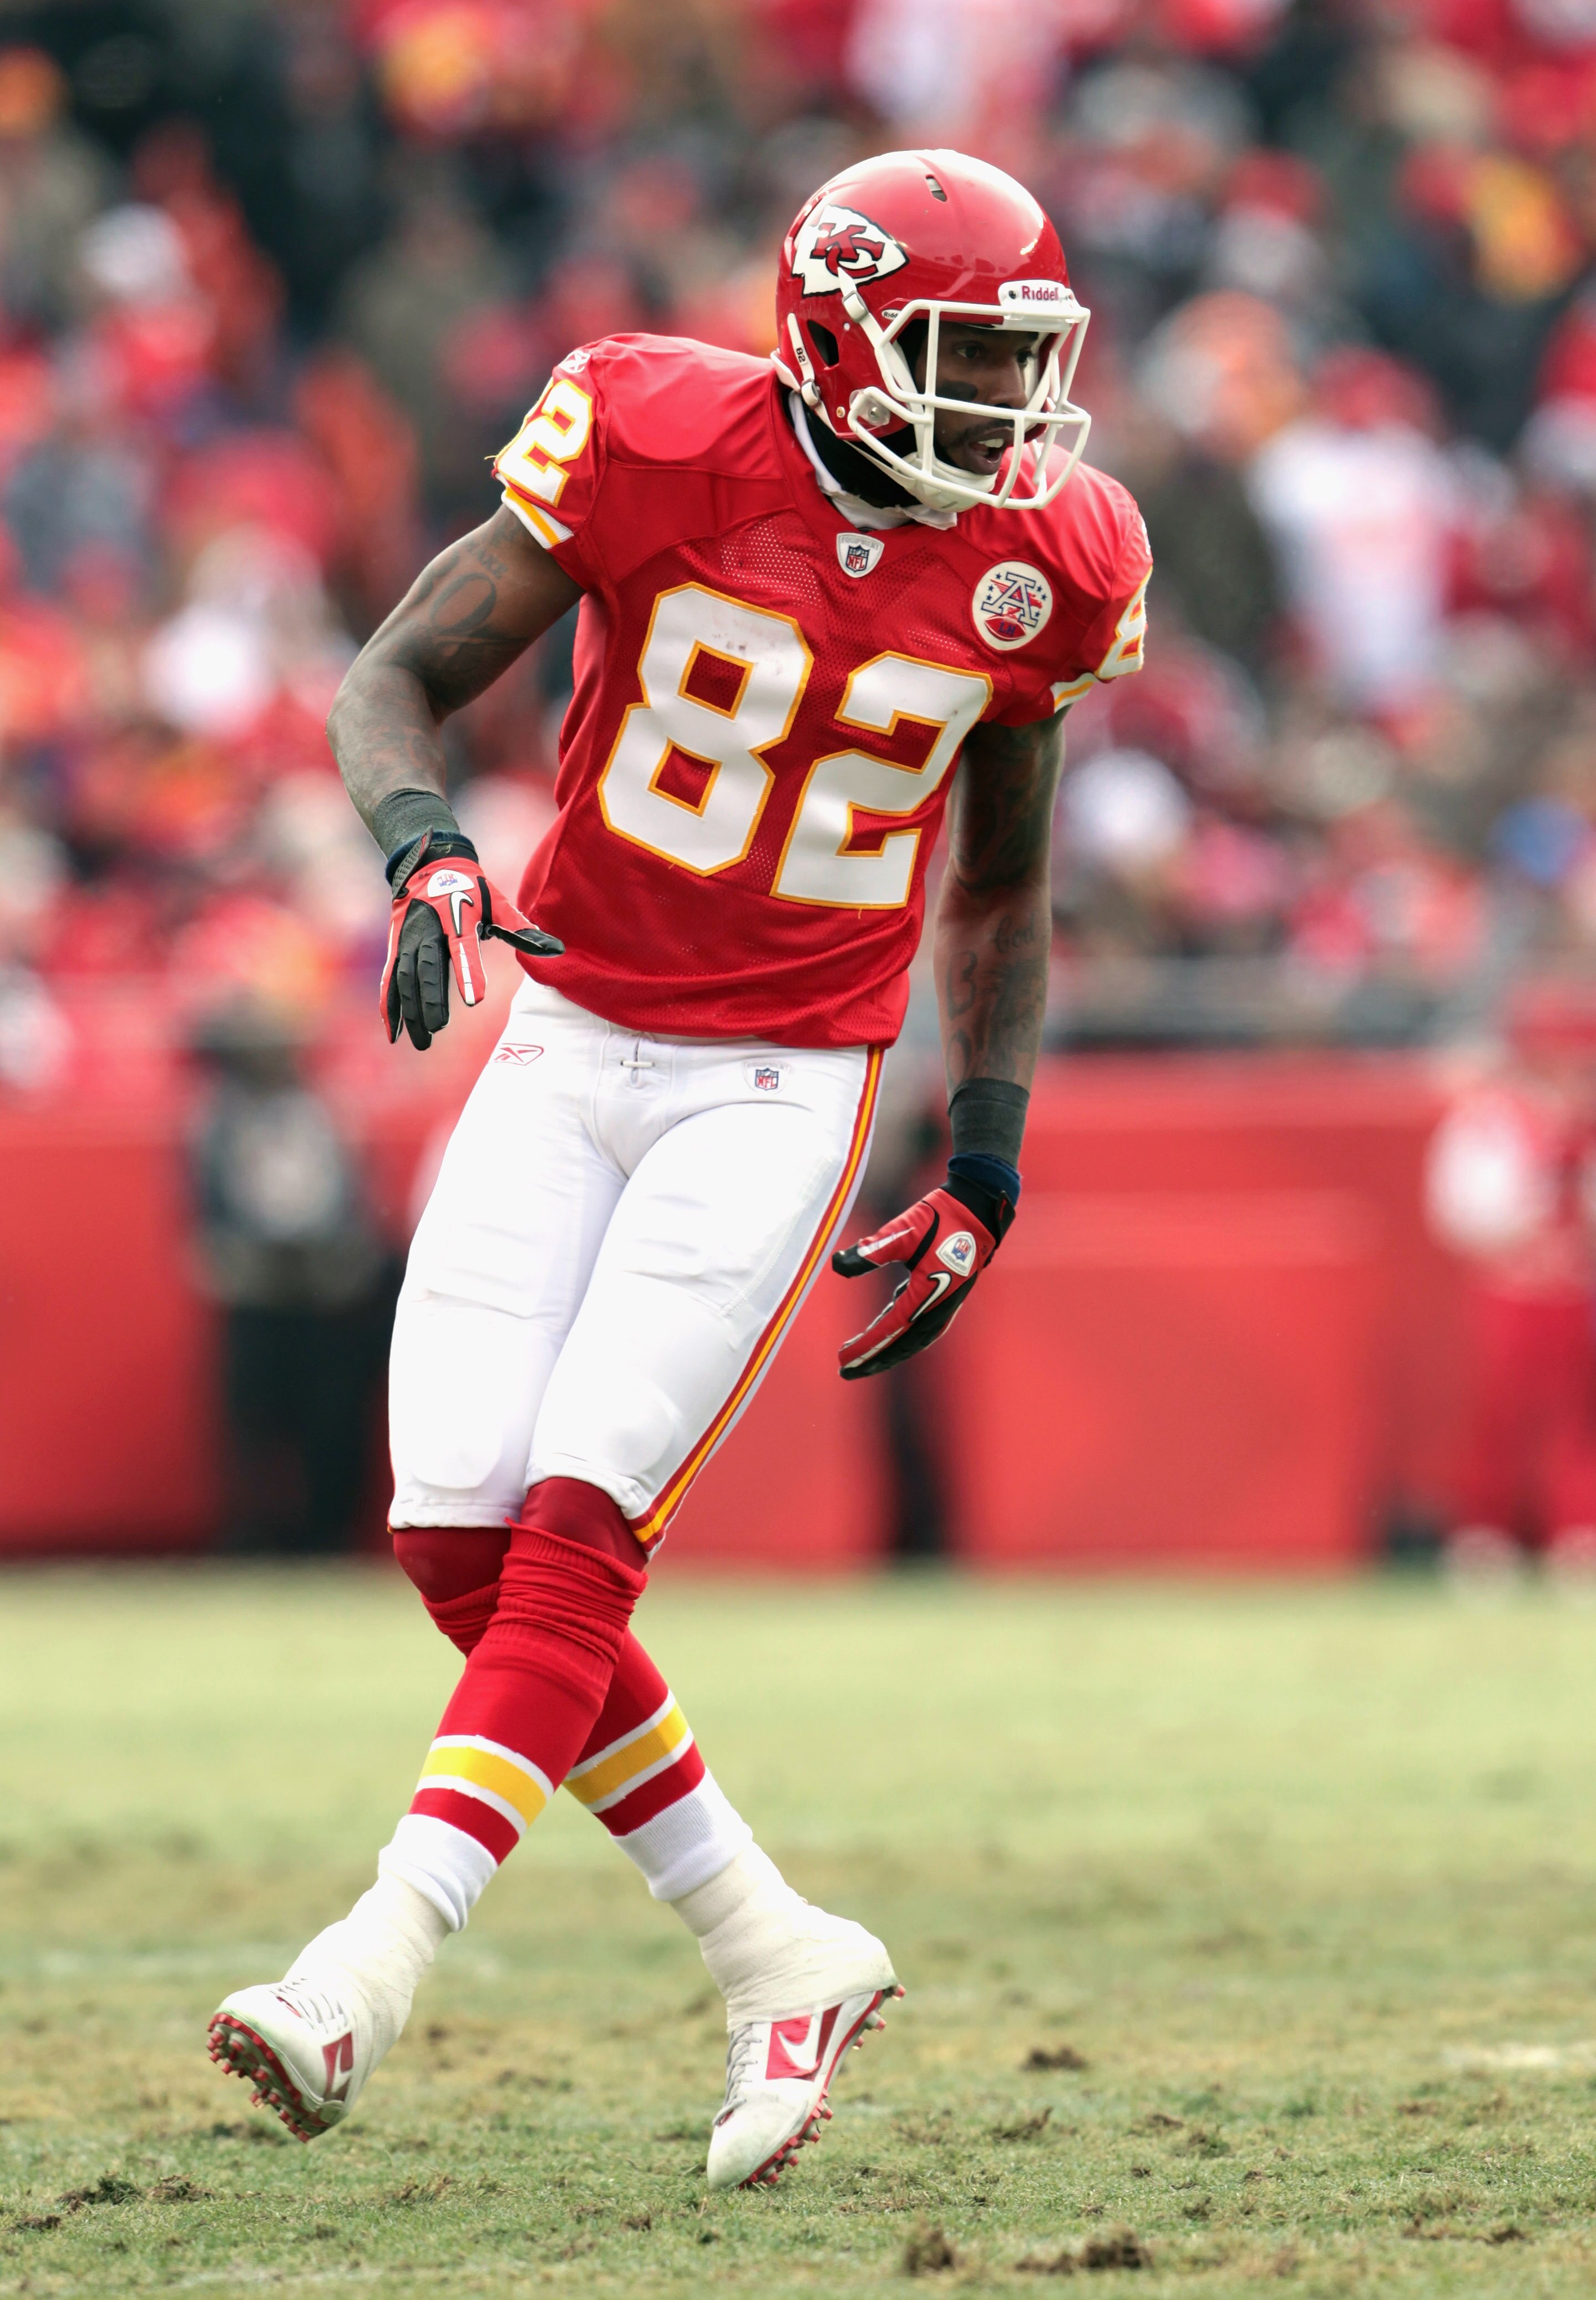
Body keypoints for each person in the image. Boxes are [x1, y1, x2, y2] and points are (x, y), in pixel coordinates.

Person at [208, 148, 1150, 2191]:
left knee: (572, 1538)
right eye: (967, 357)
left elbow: (1002, 885)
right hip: (564, 1035)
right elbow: (391, 677)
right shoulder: (650, 430)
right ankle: (778, 1951)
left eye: (1025, 364)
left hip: (781, 1084)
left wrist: (983, 1155)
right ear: (834, 329)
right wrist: (423, 849)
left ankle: (364, 1967)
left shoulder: (1050, 557)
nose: (1009, 413)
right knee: (455, 1538)